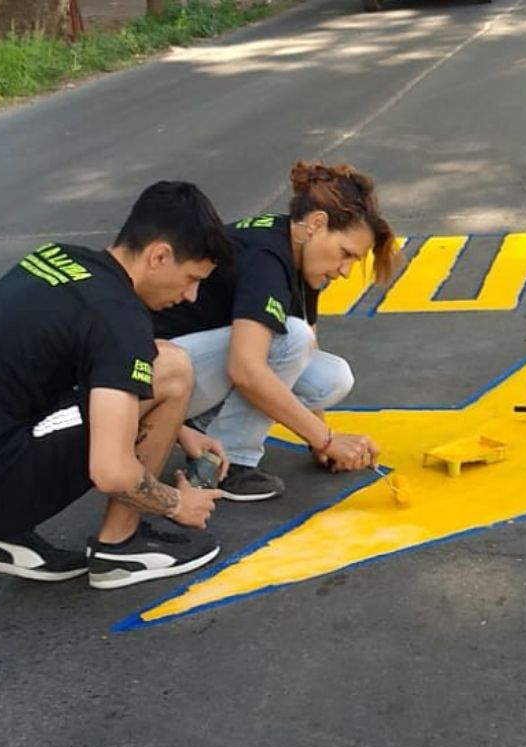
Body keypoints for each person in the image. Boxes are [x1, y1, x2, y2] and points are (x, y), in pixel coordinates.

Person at [0, 181, 234, 589]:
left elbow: (69, 369)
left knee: (146, 360)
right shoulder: (119, 317)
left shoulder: (61, 260)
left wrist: (178, 431)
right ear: (159, 255)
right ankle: (120, 549)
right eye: (191, 278)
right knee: (171, 367)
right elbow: (111, 472)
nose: (191, 296)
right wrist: (176, 504)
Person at [153, 161, 401, 501]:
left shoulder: (302, 255)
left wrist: (319, 440)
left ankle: (205, 422)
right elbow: (246, 367)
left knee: (331, 375)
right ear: (317, 223)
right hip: (149, 380)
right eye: (345, 254)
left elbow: (302, 353)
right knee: (291, 337)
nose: (344, 271)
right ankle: (231, 462)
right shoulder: (267, 258)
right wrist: (326, 439)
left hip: (194, 364)